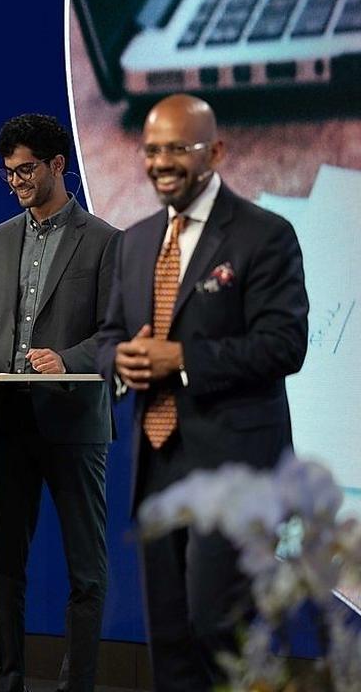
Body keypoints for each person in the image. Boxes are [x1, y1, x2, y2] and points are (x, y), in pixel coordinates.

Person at [95, 94, 309, 691]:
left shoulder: (264, 234)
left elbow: (284, 345)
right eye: (151, 150)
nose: (161, 163)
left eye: (177, 149)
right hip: (158, 465)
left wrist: (184, 359)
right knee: (169, 638)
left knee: (222, 629)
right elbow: (109, 335)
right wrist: (120, 361)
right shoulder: (135, 241)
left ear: (214, 151)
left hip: (237, 468)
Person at [0, 114, 120, 692]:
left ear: (58, 165)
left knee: (86, 571)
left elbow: (119, 333)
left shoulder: (104, 239)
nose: (17, 181)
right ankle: (6, 680)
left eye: (26, 169)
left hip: (75, 422)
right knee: (5, 565)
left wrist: (68, 359)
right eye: (9, 173)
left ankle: (75, 685)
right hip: (9, 419)